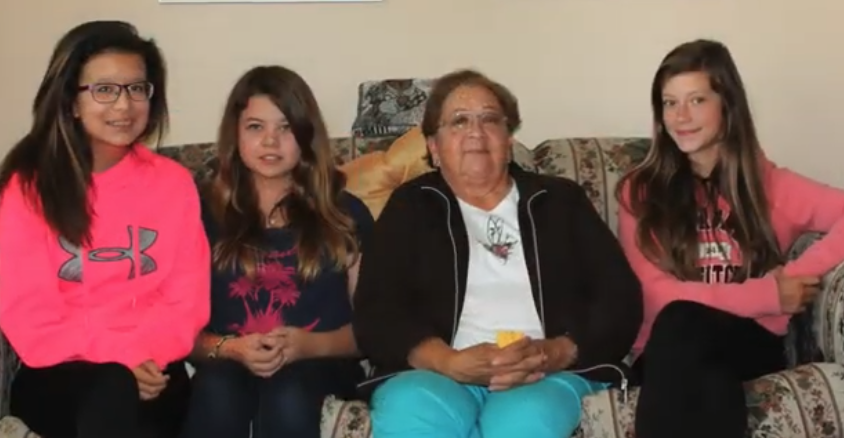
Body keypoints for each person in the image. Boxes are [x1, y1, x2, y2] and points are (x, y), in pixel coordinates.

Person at [352, 69, 643, 438]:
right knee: (415, 414)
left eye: (490, 119)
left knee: (522, 422)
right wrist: (448, 361)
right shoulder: (410, 207)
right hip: (435, 373)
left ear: (508, 140)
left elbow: (620, 298)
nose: (475, 131)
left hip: (543, 373)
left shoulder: (560, 200)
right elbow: (376, 311)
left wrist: (557, 351)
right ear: (434, 147)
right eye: (459, 121)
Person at [616, 39, 844, 438]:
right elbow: (657, 296)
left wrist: (794, 276)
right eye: (669, 103)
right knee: (686, 335)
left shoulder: (769, 185)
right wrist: (770, 295)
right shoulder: (641, 190)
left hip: (747, 343)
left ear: (727, 104)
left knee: (691, 335)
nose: (680, 117)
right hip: (663, 351)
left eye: (697, 100)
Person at [0, 20, 209, 438]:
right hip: (57, 375)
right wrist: (119, 358)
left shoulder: (173, 184)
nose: (124, 105)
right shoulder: (27, 188)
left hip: (155, 368)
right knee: (111, 391)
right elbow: (30, 319)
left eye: (136, 88)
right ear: (72, 102)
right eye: (105, 89)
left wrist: (140, 359)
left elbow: (187, 303)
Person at [180, 65, 372, 438]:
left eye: (285, 128)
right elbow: (181, 334)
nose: (271, 141)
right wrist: (231, 349)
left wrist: (308, 345)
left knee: (288, 392)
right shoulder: (200, 213)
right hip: (228, 363)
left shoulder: (344, 214)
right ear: (235, 135)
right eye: (256, 127)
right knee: (216, 387)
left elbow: (373, 329)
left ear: (305, 135)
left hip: (320, 366)